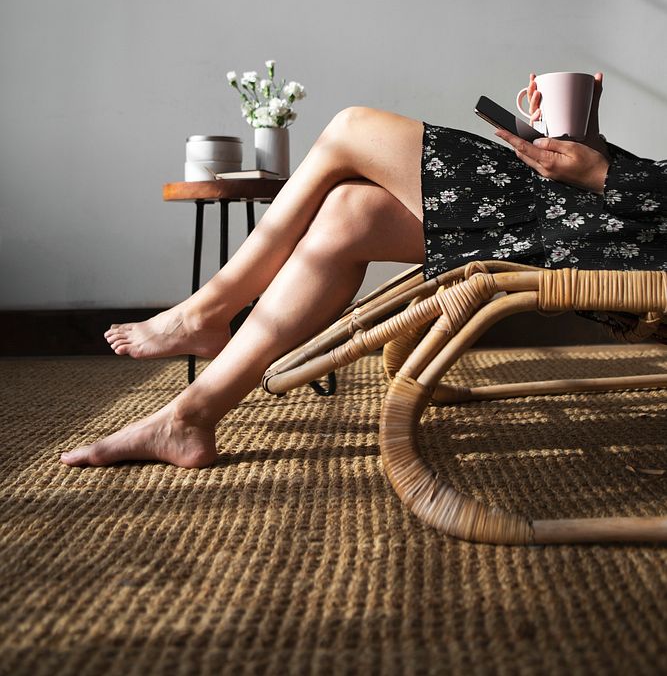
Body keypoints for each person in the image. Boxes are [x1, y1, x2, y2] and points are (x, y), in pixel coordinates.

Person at [61, 73, 666, 469]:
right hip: (614, 212)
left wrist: (603, 176)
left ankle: (207, 311)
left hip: (627, 242)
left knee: (353, 128)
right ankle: (191, 417)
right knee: (350, 213)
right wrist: (586, 148)